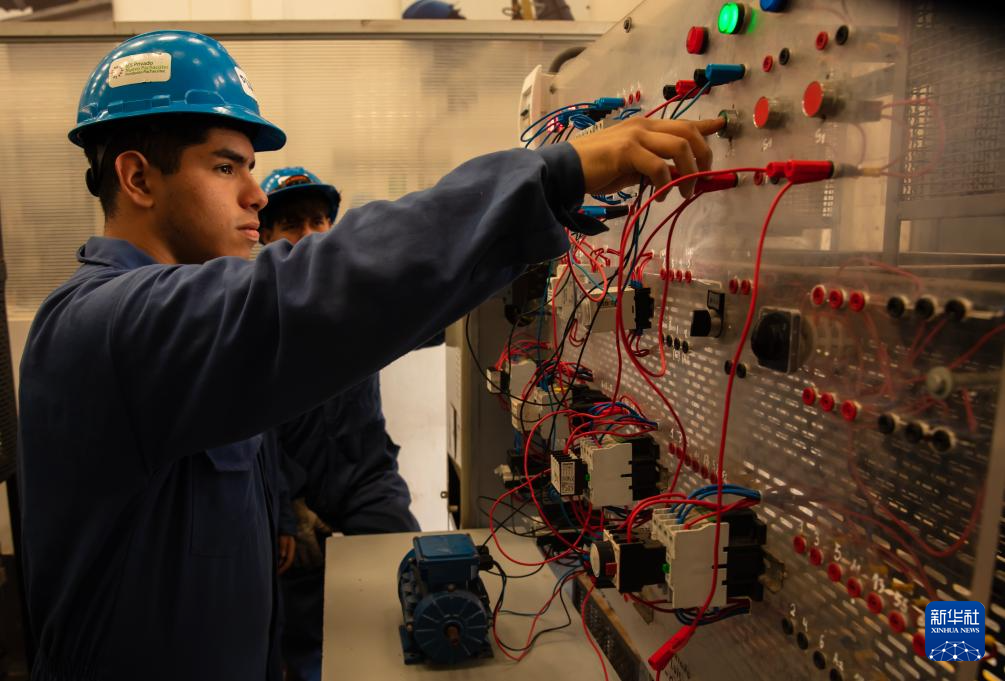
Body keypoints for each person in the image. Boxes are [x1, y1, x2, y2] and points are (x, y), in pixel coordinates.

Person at [16, 28, 721, 681]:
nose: (255, 195)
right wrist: (548, 178)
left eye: (250, 167)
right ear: (138, 179)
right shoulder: (101, 328)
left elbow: (354, 326)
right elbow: (305, 294)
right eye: (225, 165)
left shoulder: (178, 337)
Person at [258, 166, 420, 681]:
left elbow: (426, 315)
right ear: (263, 235)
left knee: (410, 581)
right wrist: (284, 509)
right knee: (307, 624)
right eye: (290, 224)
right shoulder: (250, 317)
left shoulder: (356, 304)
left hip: (366, 477)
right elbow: (250, 432)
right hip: (296, 493)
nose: (309, 236)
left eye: (319, 221)